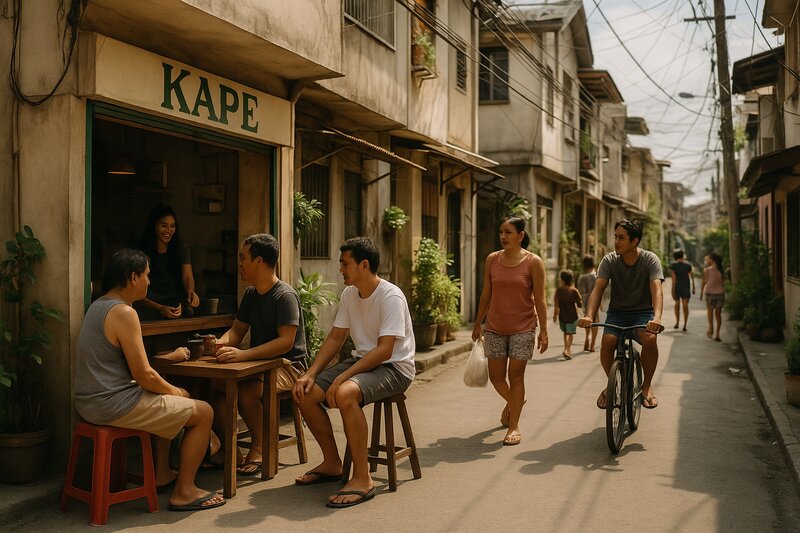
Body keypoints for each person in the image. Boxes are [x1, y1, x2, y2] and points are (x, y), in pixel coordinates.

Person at [73, 249, 224, 512]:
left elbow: (134, 368)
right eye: (147, 275)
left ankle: (162, 472)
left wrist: (168, 386)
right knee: (203, 412)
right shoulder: (124, 312)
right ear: (133, 277)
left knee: (163, 396)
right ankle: (185, 491)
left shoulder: (97, 306)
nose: (149, 281)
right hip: (111, 404)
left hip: (88, 402)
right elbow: (144, 375)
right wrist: (178, 391)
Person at [292, 237, 415, 509]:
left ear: (364, 265)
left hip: (395, 367)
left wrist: (343, 377)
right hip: (362, 361)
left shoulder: (391, 296)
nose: (341, 269)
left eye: (345, 263)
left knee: (345, 393)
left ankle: (362, 478)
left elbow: (385, 350)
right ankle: (332, 464)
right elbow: (336, 338)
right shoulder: (350, 294)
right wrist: (311, 373)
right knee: (304, 393)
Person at [209, 233, 307, 476]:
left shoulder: (285, 296)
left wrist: (243, 355)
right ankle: (229, 449)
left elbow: (285, 343)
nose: (239, 263)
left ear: (259, 261)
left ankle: (261, 447)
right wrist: (219, 344)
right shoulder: (251, 294)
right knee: (215, 386)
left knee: (246, 391)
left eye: (243, 257)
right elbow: (236, 331)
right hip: (259, 366)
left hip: (289, 367)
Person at [472, 216, 548, 446]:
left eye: (508, 232)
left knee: (516, 376)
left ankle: (514, 426)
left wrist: (544, 330)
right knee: (496, 377)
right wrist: (478, 323)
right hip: (495, 327)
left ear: (520, 235)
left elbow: (540, 299)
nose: (503, 236)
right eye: (501, 232)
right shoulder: (492, 259)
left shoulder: (533, 262)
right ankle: (517, 399)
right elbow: (486, 293)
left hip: (523, 328)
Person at [577, 219, 664, 410]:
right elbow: (598, 290)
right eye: (615, 237)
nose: (616, 242)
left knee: (650, 339)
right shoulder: (609, 260)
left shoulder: (650, 260)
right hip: (617, 313)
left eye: (621, 238)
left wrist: (656, 318)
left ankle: (647, 386)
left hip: (643, 313)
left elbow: (656, 290)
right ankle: (613, 383)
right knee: (607, 342)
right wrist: (589, 315)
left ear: (634, 241)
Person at [136, 204, 199, 320]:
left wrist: (191, 292)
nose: (168, 230)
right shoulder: (142, 250)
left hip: (173, 300)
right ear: (154, 225)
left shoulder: (180, 248)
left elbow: (187, 276)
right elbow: (136, 291)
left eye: (172, 226)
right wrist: (161, 308)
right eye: (164, 226)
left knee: (188, 311)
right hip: (149, 302)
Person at [553, 269, 582, 360]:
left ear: (562, 280)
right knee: (570, 333)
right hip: (572, 316)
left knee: (566, 332)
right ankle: (567, 349)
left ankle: (566, 348)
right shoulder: (574, 290)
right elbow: (580, 303)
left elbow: (556, 305)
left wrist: (555, 315)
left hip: (562, 316)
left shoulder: (559, 290)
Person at [576, 255, 599, 352]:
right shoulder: (596, 275)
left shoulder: (581, 277)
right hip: (595, 302)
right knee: (595, 322)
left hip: (585, 302)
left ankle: (587, 338)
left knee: (587, 320)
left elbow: (580, 292)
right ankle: (592, 345)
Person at [701, 252, 725, 341]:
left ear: (712, 260)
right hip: (720, 294)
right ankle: (717, 334)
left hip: (710, 294)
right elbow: (723, 283)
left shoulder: (707, 270)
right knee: (718, 315)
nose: (708, 260)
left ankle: (711, 330)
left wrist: (701, 293)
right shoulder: (721, 270)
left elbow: (705, 282)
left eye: (709, 259)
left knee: (710, 313)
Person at [669, 249, 694, 332]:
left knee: (677, 305)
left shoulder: (673, 265)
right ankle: (685, 325)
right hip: (686, 287)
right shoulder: (688, 265)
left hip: (677, 287)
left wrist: (672, 290)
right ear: (682, 256)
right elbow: (691, 277)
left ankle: (677, 323)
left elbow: (673, 279)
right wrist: (693, 287)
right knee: (685, 306)